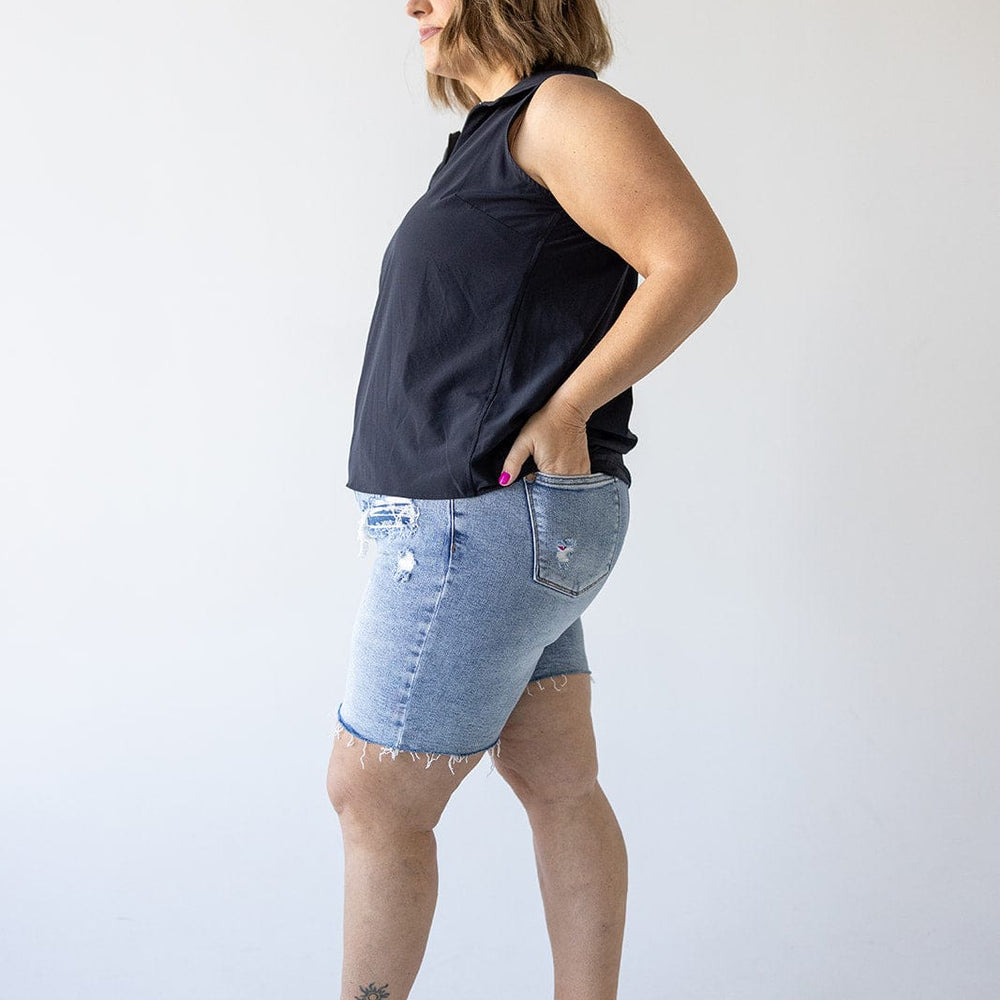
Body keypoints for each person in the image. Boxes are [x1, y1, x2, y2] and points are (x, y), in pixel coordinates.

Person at [326, 1, 738, 997]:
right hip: (492, 523)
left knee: (374, 797)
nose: (413, 4)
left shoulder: (559, 113)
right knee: (555, 779)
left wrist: (569, 403)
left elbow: (696, 260)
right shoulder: (496, 133)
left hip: (483, 521)